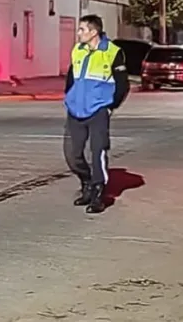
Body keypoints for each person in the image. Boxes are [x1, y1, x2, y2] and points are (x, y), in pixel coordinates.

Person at [63, 14, 130, 215]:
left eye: (82, 29)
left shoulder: (112, 52)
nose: (78, 33)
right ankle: (86, 182)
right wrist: (70, 98)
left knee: (97, 151)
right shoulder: (78, 50)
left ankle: (98, 194)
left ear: (93, 32)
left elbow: (122, 84)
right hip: (76, 110)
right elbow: (71, 77)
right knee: (72, 155)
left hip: (98, 110)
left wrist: (111, 107)